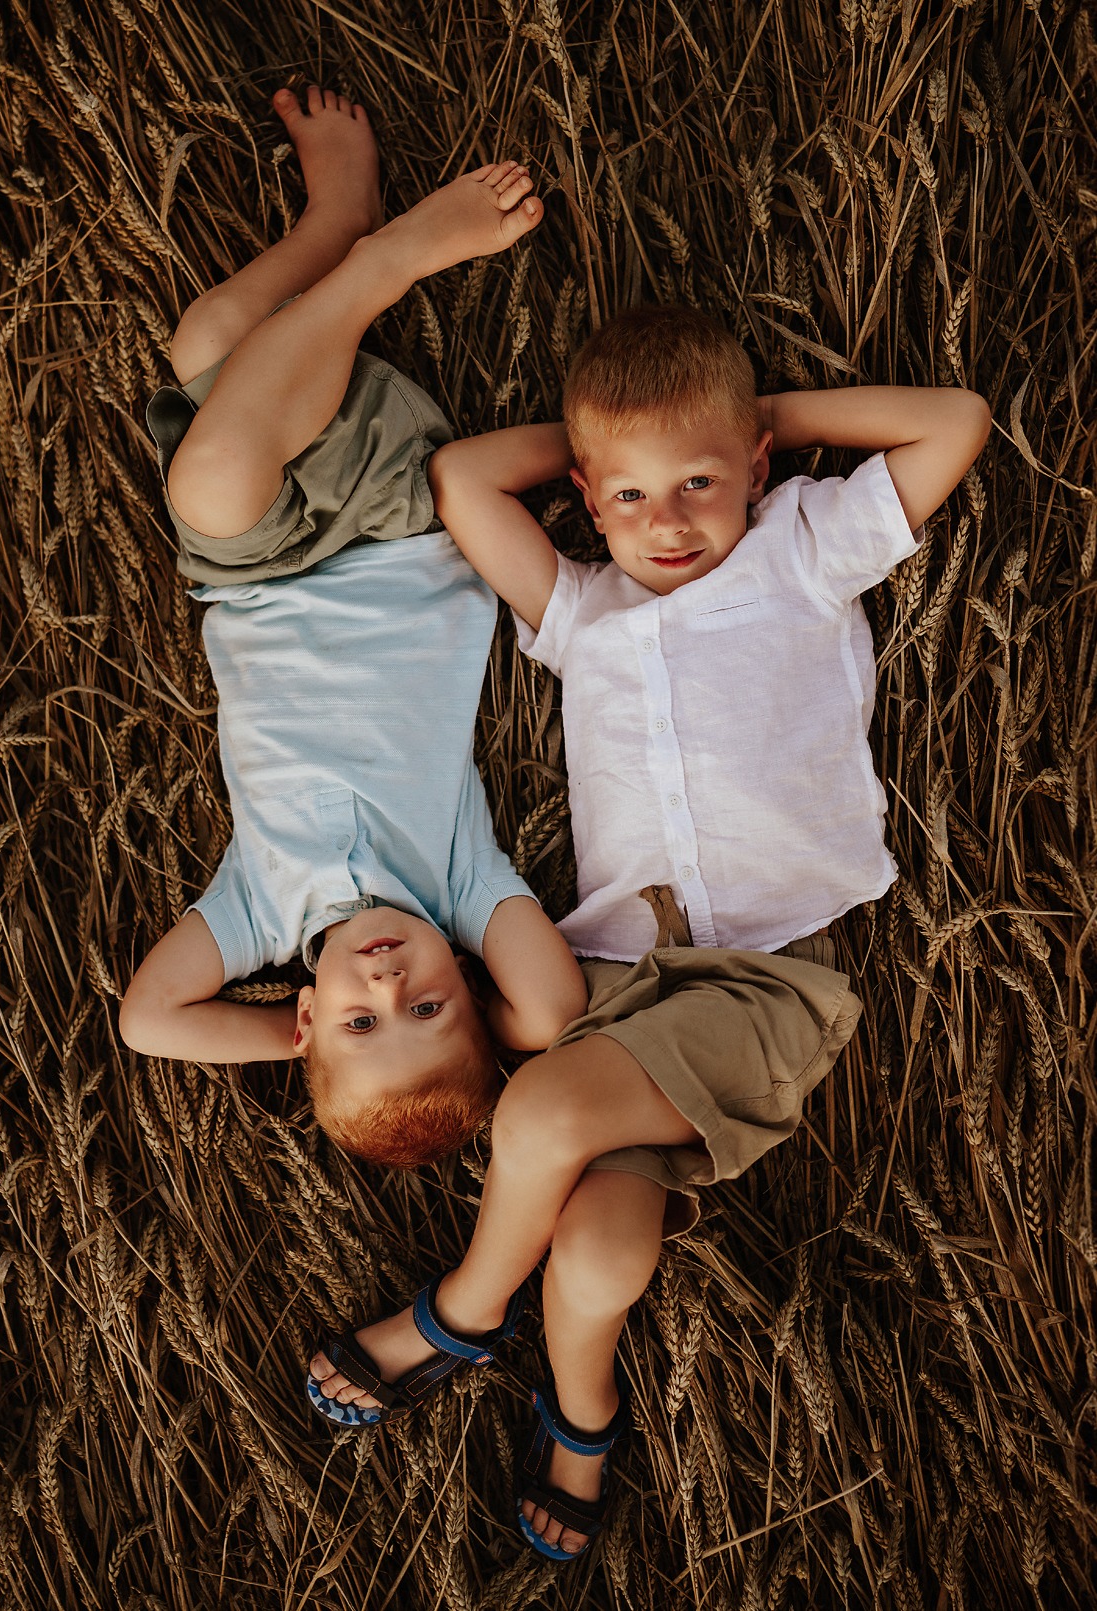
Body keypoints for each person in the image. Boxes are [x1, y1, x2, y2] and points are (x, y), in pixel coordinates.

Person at [308, 304, 991, 1559]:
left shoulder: (800, 552)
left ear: (757, 470)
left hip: (764, 975)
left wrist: (749, 419)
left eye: (698, 484)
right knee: (601, 1246)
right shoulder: (580, 613)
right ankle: (582, 1414)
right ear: (585, 497)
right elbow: (462, 477)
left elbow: (953, 422)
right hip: (620, 982)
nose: (667, 520)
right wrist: (629, 442)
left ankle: (463, 1312)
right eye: (626, 495)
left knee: (540, 1118)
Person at [118, 87, 586, 1171]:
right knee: (214, 417)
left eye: (360, 1021)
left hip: (254, 568)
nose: (387, 980)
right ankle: (381, 256)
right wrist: (504, 1022)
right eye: (429, 1007)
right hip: (396, 527)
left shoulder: (259, 911)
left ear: (308, 1017)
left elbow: (147, 1021)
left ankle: (343, 231)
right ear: (464, 980)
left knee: (209, 353)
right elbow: (553, 1008)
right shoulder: (459, 885)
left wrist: (286, 1043)